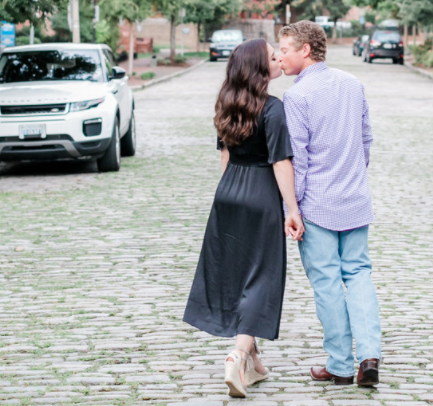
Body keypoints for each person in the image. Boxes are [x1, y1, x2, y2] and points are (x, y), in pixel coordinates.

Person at [183, 38, 305, 398]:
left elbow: (225, 155)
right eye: (272, 57)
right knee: (261, 277)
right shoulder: (273, 108)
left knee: (238, 274)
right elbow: (280, 162)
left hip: (228, 192)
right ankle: (237, 355)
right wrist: (292, 209)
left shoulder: (227, 102)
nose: (278, 59)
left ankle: (255, 364)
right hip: (261, 195)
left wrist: (229, 195)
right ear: (258, 68)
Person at [278, 21, 382, 387]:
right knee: (359, 274)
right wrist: (353, 176)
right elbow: (366, 139)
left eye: (285, 49)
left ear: (305, 50)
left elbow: (298, 158)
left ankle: (339, 365)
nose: (280, 57)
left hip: (318, 203)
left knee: (327, 282)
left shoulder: (297, 96)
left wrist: (292, 209)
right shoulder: (353, 84)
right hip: (355, 198)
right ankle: (369, 356)